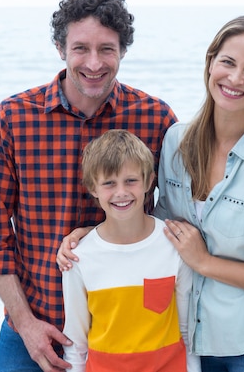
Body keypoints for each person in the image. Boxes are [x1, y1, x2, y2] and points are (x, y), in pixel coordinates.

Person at [58, 15, 244, 371]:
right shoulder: (176, 142)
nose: (235, 78)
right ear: (210, 64)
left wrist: (205, 262)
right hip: (192, 347)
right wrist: (97, 236)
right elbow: (160, 227)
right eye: (227, 62)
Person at [0, 0, 177, 372]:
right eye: (81, 48)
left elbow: (172, 219)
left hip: (128, 330)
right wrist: (26, 325)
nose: (94, 62)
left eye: (107, 49)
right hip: (37, 327)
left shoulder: (155, 119)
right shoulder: (14, 119)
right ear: (60, 48)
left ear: (122, 51)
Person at [61, 129, 200, 372]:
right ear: (93, 188)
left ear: (148, 181)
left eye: (131, 180)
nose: (121, 192)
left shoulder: (174, 245)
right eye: (109, 183)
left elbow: (187, 332)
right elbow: (76, 343)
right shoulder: (79, 257)